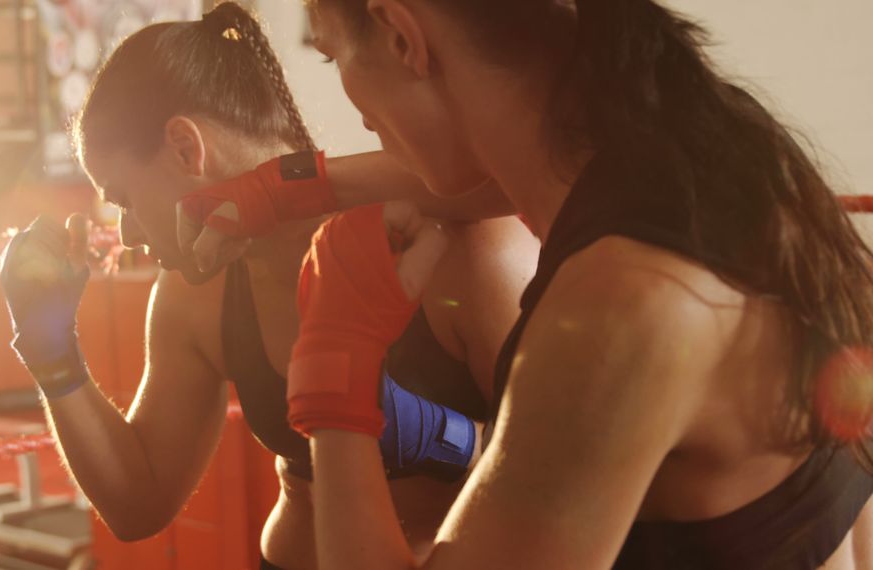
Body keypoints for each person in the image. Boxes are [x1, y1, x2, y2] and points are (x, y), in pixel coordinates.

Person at [181, 1, 873, 568]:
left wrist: (335, 372)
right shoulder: (720, 152)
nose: (352, 103)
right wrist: (289, 185)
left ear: (400, 34)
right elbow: (485, 180)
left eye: (332, 55)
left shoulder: (621, 306)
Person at [0, 3, 535, 568]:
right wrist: (50, 353)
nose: (126, 233)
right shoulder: (195, 297)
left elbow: (568, 468)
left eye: (125, 199)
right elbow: (138, 505)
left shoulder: (447, 250)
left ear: (186, 147)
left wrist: (443, 437)